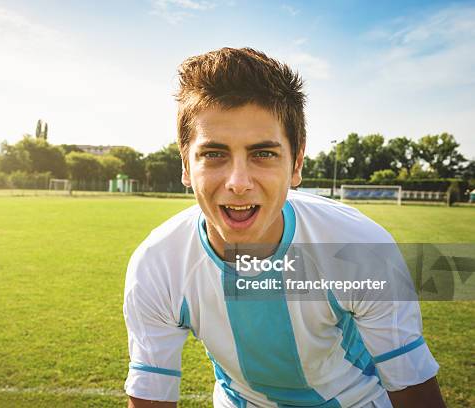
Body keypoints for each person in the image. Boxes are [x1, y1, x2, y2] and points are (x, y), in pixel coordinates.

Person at [123, 47, 445, 408]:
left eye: (263, 153)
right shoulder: (157, 263)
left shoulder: (358, 247)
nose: (239, 182)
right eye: (214, 154)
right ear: (186, 164)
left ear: (296, 165)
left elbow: (415, 393)